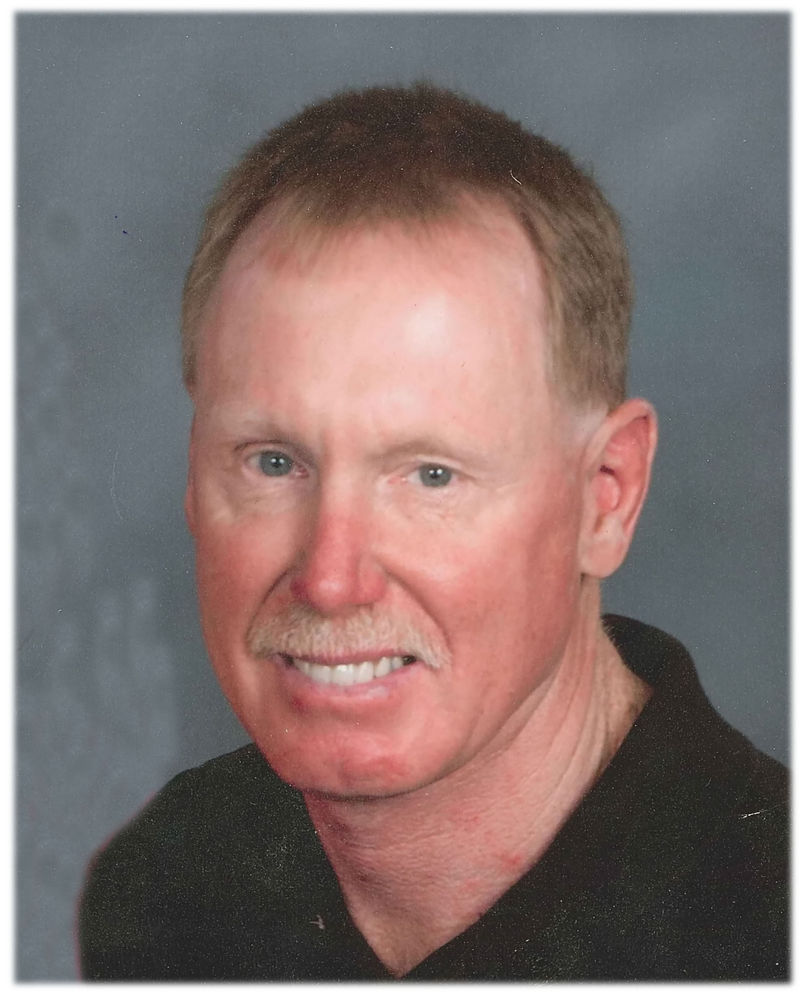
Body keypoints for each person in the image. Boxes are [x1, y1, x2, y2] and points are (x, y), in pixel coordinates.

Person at [77, 83, 787, 981]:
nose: (331, 578)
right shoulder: (156, 895)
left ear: (606, 497)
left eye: (431, 476)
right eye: (273, 463)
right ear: (193, 473)